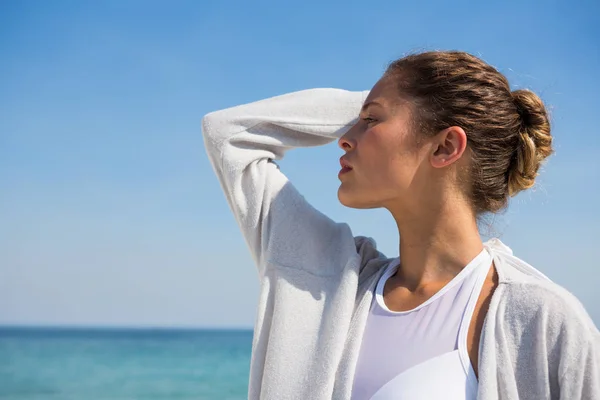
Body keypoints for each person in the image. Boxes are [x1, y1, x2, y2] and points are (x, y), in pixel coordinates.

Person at [202, 51, 600, 399]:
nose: (344, 138)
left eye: (371, 121)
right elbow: (229, 135)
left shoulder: (541, 318)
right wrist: (375, 102)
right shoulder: (330, 280)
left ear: (445, 147)